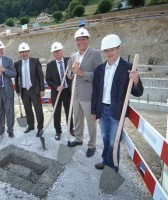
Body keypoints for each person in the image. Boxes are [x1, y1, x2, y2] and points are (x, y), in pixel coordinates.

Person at [91, 34, 144, 171]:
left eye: (112, 49)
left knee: (113, 141)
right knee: (104, 137)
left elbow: (138, 92)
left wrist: (136, 80)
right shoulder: (100, 70)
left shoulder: (128, 68)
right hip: (102, 110)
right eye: (107, 50)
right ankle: (106, 160)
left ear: (119, 48)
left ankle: (113, 165)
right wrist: (93, 110)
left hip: (117, 111)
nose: (109, 53)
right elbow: (95, 92)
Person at [67, 28, 103, 158]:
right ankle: (78, 139)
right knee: (77, 119)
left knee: (90, 121)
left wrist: (82, 73)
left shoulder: (95, 54)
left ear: (88, 40)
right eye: (78, 39)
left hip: (88, 95)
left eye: (83, 39)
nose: (80, 41)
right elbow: (70, 76)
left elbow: (100, 75)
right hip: (75, 94)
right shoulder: (73, 56)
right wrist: (72, 71)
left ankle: (92, 145)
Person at [14, 42, 45, 137]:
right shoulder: (17, 64)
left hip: (34, 89)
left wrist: (42, 89)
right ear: (20, 53)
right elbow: (16, 77)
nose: (24, 53)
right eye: (22, 52)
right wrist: (18, 90)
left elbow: (41, 76)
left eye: (26, 51)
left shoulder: (35, 61)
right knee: (28, 109)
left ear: (29, 52)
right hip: (24, 90)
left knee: (38, 109)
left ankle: (40, 128)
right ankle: (31, 126)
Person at [45, 42, 74, 140]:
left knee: (69, 111)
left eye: (58, 51)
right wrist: (56, 87)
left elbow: (73, 73)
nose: (57, 53)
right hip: (56, 92)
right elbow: (48, 79)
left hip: (67, 91)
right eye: (55, 51)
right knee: (56, 112)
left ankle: (71, 129)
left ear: (62, 51)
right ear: (53, 53)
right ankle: (58, 131)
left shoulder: (69, 61)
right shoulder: (50, 65)